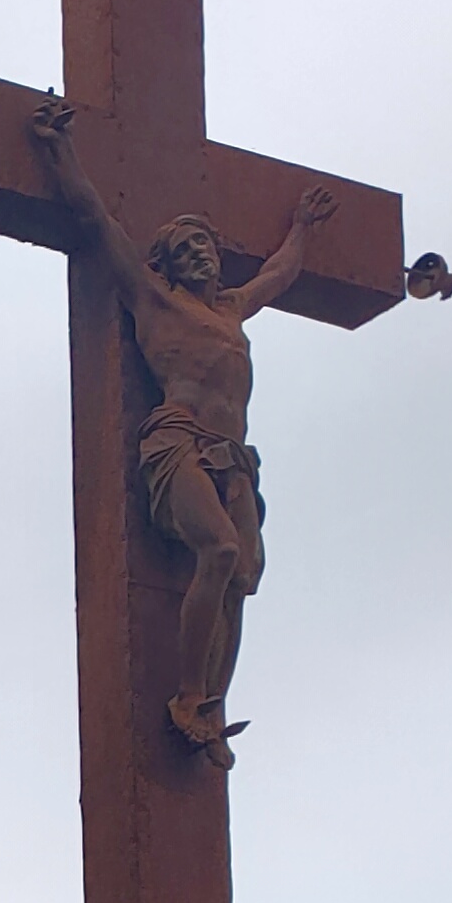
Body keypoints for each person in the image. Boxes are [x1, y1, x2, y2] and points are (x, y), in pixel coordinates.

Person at [28, 97, 335, 765]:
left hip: (235, 459)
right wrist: (59, 151)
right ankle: (188, 696)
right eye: (187, 248)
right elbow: (96, 221)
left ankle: (212, 705)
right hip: (178, 440)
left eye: (206, 245)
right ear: (166, 263)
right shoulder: (153, 297)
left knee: (243, 576)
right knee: (219, 553)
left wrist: (303, 226)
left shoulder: (232, 309)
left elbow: (281, 273)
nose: (202, 254)